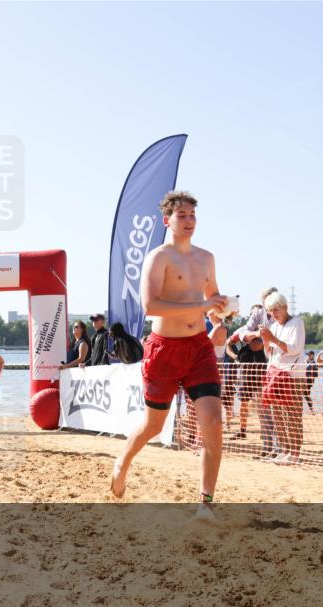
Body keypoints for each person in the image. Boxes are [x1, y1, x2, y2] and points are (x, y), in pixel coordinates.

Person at [110, 191, 230, 517]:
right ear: (167, 221)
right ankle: (122, 462)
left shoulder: (206, 258)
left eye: (192, 215)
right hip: (163, 349)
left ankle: (206, 502)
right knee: (152, 425)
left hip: (199, 348)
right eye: (182, 216)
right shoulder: (158, 258)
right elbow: (150, 306)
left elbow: (212, 295)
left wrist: (221, 311)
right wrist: (205, 306)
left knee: (214, 422)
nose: (189, 221)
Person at [259, 292, 306, 465]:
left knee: (292, 415)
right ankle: (284, 450)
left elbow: (294, 349)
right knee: (277, 413)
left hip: (292, 376)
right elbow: (269, 353)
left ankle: (294, 453)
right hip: (275, 375)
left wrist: (272, 338)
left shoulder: (297, 323)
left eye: (276, 310)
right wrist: (265, 341)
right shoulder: (274, 326)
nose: (274, 314)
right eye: (270, 311)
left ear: (285, 307)